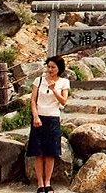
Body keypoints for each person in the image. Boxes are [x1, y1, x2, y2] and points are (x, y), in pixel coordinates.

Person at [28, 55, 69, 193]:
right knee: (38, 152)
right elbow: (33, 100)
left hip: (53, 118)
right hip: (39, 118)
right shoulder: (38, 80)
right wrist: (35, 116)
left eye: (53, 67)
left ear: (59, 69)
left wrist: (54, 89)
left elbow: (63, 101)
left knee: (50, 153)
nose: (50, 69)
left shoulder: (64, 82)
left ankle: (48, 182)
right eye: (48, 66)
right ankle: (40, 183)